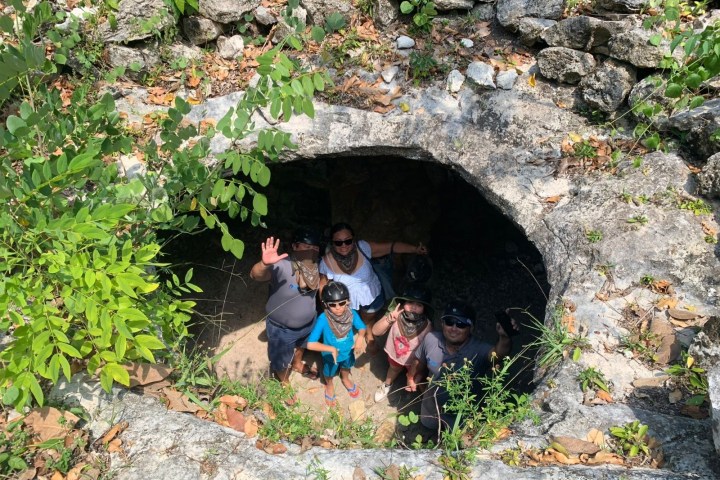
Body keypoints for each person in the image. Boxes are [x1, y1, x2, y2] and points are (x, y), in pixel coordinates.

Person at [406, 300, 519, 431]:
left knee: (458, 439)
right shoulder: (431, 339)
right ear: (442, 324)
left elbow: (498, 354)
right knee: (428, 425)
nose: (454, 328)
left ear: (471, 328)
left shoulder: (478, 350)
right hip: (432, 404)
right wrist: (411, 377)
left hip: (462, 414)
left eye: (461, 324)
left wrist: (504, 337)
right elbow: (418, 361)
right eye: (449, 322)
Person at [319, 222, 428, 352]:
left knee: (369, 317)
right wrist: (327, 307)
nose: (344, 246)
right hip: (345, 301)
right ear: (332, 242)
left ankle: (368, 333)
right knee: (347, 320)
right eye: (338, 242)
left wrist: (415, 249)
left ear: (353, 239)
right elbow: (323, 285)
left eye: (348, 241)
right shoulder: (327, 261)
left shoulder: (363, 248)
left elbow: (391, 247)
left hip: (371, 294)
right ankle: (353, 337)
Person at [249, 228, 322, 389]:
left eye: (315, 248)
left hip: (309, 323)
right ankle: (284, 382)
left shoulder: (316, 267)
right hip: (282, 329)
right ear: (295, 247)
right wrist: (264, 264)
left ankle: (296, 364)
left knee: (302, 346)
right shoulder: (283, 264)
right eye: (306, 246)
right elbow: (256, 275)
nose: (311, 251)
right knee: (281, 359)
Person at [306, 281, 367, 406]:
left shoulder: (352, 314)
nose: (338, 307)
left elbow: (362, 327)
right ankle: (329, 384)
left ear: (348, 301)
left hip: (348, 351)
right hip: (330, 356)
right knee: (329, 373)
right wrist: (331, 349)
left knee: (346, 366)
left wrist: (361, 336)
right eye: (332, 304)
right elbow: (310, 344)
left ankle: (345, 378)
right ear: (325, 305)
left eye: (342, 303)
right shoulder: (323, 319)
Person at [371, 284, 433, 402]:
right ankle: (387, 384)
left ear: (425, 308)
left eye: (419, 305)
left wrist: (418, 369)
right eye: (410, 303)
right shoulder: (396, 315)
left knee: (416, 376)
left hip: (414, 360)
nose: (414, 307)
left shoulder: (427, 326)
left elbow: (427, 348)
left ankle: (424, 395)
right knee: (393, 369)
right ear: (403, 303)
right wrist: (389, 319)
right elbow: (375, 331)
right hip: (396, 355)